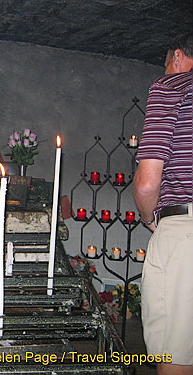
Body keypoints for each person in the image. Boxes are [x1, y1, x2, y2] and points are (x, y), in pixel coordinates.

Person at [133, 31, 193, 375]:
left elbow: (147, 181)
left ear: (179, 57)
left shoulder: (173, 87)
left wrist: (149, 217)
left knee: (176, 356)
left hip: (184, 232)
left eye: (167, 62)